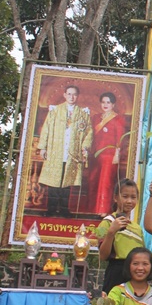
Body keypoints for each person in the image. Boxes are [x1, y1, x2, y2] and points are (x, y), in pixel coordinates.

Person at [96, 179, 144, 305]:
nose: (129, 201)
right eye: (125, 196)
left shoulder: (137, 227)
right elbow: (103, 256)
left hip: (135, 275)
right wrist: (112, 232)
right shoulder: (107, 223)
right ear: (116, 197)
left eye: (133, 197)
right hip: (116, 272)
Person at [37, 85, 93, 217]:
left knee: (67, 182)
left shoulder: (83, 113)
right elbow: (46, 129)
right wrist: (43, 147)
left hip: (72, 153)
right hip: (56, 151)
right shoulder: (55, 111)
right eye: (69, 94)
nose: (71, 97)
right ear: (64, 95)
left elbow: (89, 132)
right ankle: (51, 209)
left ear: (77, 96)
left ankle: (64, 209)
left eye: (74, 94)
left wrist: (84, 148)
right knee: (53, 182)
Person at [88, 92, 127, 214]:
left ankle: (103, 210)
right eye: (103, 102)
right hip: (95, 155)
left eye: (108, 102)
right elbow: (90, 135)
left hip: (109, 156)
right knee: (93, 181)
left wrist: (117, 154)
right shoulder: (96, 118)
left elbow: (120, 138)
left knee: (105, 183)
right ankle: (92, 209)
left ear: (113, 104)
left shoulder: (118, 119)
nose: (105, 105)